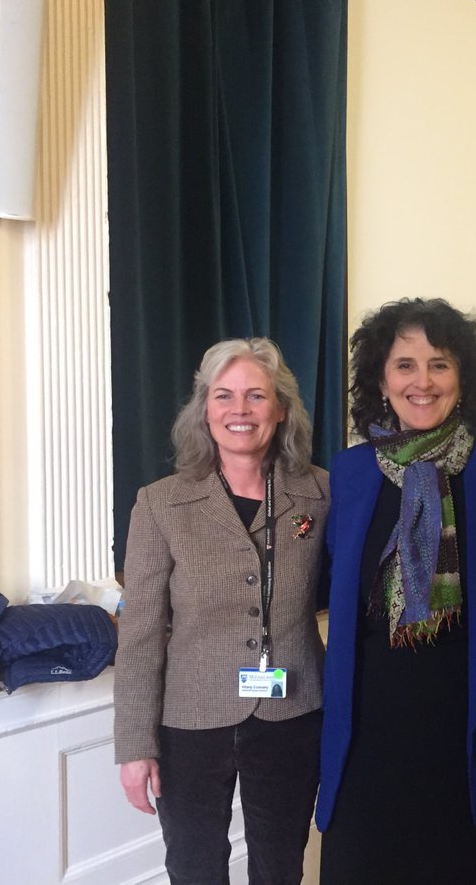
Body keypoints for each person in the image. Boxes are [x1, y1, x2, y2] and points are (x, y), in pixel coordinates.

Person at [316, 298, 476, 884]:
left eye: (439, 364)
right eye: (404, 364)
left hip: (469, 727)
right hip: (370, 732)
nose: (422, 381)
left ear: (464, 379)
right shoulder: (351, 472)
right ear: (381, 381)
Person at [114, 337, 329, 885]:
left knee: (281, 867)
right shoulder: (160, 503)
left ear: (280, 409)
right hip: (189, 720)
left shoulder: (322, 493)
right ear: (204, 409)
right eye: (224, 396)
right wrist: (135, 746)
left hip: (293, 714)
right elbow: (139, 633)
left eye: (256, 396)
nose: (240, 411)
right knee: (194, 868)